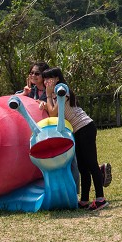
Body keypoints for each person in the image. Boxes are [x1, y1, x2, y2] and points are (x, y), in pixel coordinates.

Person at [41, 66, 107, 210]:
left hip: (85, 127)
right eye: (45, 79)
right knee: (82, 167)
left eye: (49, 78)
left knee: (91, 164)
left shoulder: (61, 90)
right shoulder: (55, 93)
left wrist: (47, 97)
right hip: (77, 130)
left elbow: (53, 114)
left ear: (57, 78)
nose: (46, 82)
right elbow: (53, 111)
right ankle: (84, 200)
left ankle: (101, 199)